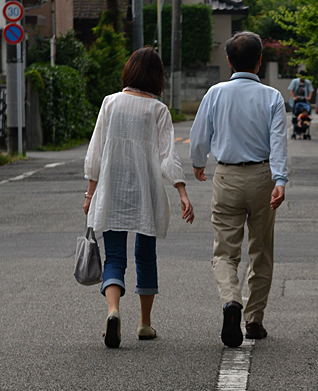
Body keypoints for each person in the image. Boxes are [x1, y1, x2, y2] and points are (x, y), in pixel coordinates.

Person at [83, 46, 194, 349]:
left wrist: (90, 193)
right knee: (146, 257)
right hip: (146, 194)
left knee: (115, 257)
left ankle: (113, 312)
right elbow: (167, 157)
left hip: (112, 189)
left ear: (130, 70)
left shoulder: (111, 103)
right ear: (158, 77)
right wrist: (182, 191)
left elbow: (96, 151)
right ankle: (145, 324)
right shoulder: (158, 110)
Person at [190, 31, 288, 347]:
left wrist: (198, 162)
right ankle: (254, 320)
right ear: (260, 61)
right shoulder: (272, 97)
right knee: (261, 251)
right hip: (262, 177)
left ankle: (232, 300)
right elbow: (278, 142)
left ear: (229, 61)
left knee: (224, 251)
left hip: (227, 176)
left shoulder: (215, 93)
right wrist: (280, 180)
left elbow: (199, 135)